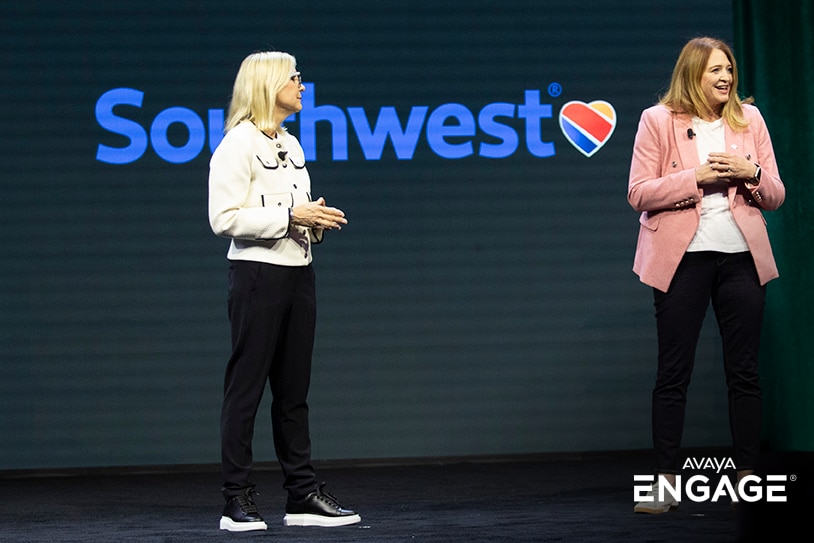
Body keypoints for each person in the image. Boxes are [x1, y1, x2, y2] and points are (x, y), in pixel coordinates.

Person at [627, 37, 785, 514]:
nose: (726, 78)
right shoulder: (657, 120)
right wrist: (696, 178)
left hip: (740, 257)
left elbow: (775, 194)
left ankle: (749, 480)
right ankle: (664, 484)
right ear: (692, 74)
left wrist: (749, 170)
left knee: (745, 373)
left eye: (729, 70)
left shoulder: (749, 120)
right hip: (683, 259)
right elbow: (638, 192)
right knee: (673, 373)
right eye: (715, 70)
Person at [208, 50, 360, 531]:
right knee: (246, 389)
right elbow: (223, 218)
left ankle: (301, 496)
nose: (301, 84)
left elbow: (293, 208)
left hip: (299, 273)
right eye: (294, 78)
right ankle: (237, 500)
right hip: (257, 276)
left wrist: (313, 219)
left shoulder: (291, 144)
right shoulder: (236, 145)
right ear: (268, 85)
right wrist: (292, 215)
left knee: (294, 392)